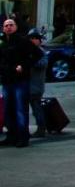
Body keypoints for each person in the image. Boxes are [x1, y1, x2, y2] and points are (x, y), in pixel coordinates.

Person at [1, 18, 43, 147]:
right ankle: (11, 135)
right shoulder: (2, 42)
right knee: (8, 109)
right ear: (3, 28)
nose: (8, 27)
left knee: (20, 109)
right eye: (6, 25)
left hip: (20, 80)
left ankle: (23, 137)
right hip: (7, 80)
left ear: (16, 27)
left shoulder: (23, 41)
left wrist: (24, 66)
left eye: (11, 25)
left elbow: (37, 54)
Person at [27, 29, 48, 137]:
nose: (33, 41)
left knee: (36, 108)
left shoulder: (41, 52)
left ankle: (41, 128)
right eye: (31, 38)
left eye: (35, 38)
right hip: (27, 85)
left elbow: (42, 64)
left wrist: (31, 61)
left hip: (36, 86)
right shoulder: (28, 51)